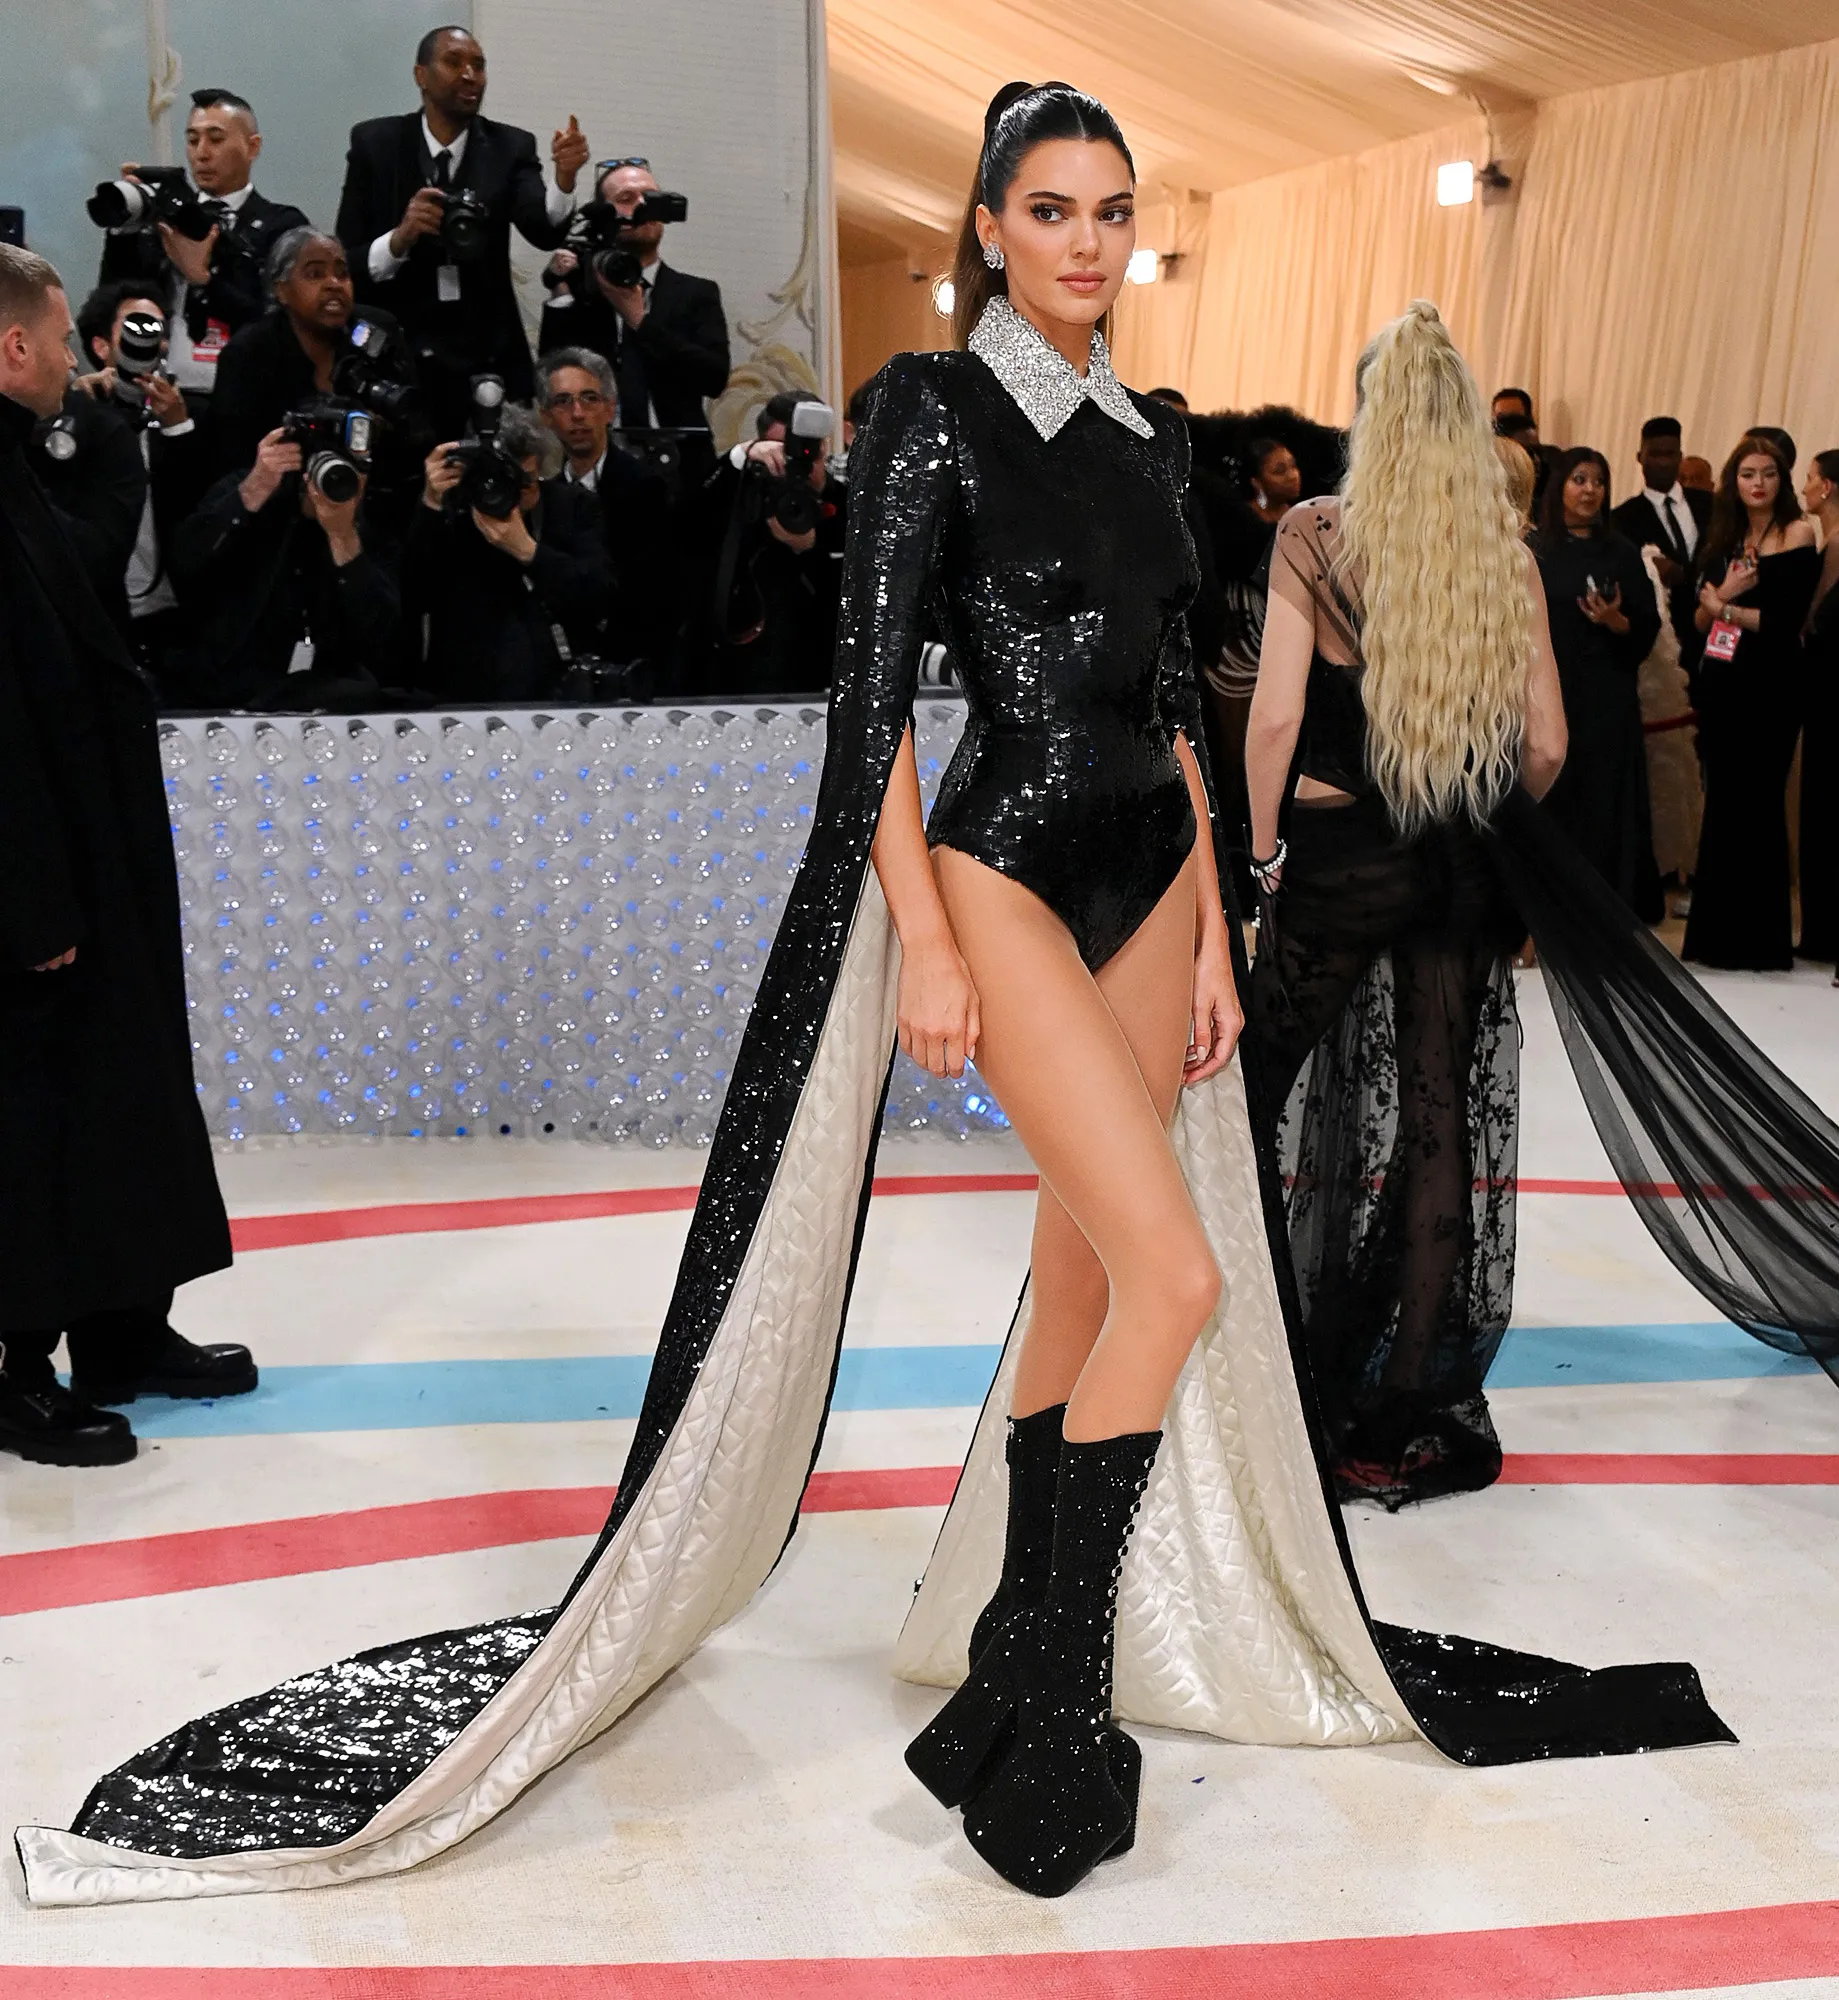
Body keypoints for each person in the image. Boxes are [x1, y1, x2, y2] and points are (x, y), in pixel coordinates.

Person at [33, 87, 1783, 1919]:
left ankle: (1002, 1668)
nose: (1089, 242)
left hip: (1144, 885)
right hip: (1002, 869)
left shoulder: (1148, 431)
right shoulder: (928, 412)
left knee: (1095, 1280)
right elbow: (868, 703)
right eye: (1051, 210)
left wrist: (1206, 929)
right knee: (1181, 1277)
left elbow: (1182, 716)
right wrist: (927, 940)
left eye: (1112, 210)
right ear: (990, 225)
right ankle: (1045, 1690)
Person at [1241, 311, 1839, 1524]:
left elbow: (1270, 719)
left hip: (1346, 860)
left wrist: (1256, 863)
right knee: (1440, 1121)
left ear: (1367, 418)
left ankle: (1248, 1366)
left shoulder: (1315, 535)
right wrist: (1472, 814)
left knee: (1248, 1089)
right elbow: (1550, 742)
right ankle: (1406, 1397)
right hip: (1461, 867)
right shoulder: (1497, 552)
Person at [0, 244, 251, 1471]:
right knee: (35, 1115)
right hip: (37, 872)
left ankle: (121, 1327)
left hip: (94, 852)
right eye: (56, 340)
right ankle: (14, 1364)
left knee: (120, 1094)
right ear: (14, 347)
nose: (70, 362)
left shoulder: (22, 468)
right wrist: (29, 890)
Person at [334, 26, 588, 436]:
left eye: (479, 66)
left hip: (488, 358)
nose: (470, 75)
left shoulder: (510, 147)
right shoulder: (376, 144)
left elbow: (543, 230)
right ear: (421, 75)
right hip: (399, 360)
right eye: (454, 62)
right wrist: (400, 239)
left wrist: (564, 180)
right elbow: (348, 263)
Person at [1682, 435, 1820, 970]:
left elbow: (1785, 627)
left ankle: (1761, 942)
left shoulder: (1798, 533)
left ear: (1781, 480)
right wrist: (1722, 601)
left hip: (1773, 687)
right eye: (1746, 474)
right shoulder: (1723, 536)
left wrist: (1725, 605)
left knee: (1759, 802)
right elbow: (1696, 622)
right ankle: (1715, 941)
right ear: (1732, 482)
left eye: (1767, 473)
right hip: (1723, 683)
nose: (1757, 483)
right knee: (1723, 803)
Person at [170, 418, 404, 710]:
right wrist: (253, 491)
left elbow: (379, 631)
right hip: (225, 683)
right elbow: (185, 562)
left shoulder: (375, 524)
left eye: (353, 469)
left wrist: (343, 536)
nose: (336, 480)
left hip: (328, 690)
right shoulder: (253, 487)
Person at [99, 90, 308, 404]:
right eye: (193, 140)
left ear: (253, 146)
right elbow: (113, 302)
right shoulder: (166, 221)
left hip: (246, 396)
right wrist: (124, 227)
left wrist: (203, 280)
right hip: (161, 392)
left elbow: (283, 325)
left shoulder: (282, 225)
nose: (202, 153)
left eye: (216, 139)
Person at [55, 283, 215, 670]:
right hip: (95, 617)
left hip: (175, 622)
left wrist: (177, 428)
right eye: (136, 327)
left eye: (158, 330)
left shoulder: (193, 416)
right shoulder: (75, 414)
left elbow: (206, 519)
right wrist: (76, 414)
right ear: (101, 347)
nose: (149, 341)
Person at [1534, 447, 1663, 918]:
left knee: (1603, 799)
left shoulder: (1620, 551)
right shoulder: (1534, 548)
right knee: (1553, 795)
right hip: (1548, 691)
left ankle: (1603, 911)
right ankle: (1545, 909)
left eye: (1598, 482)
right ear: (1559, 487)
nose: (1590, 491)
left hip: (1606, 696)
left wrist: (1615, 622)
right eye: (1580, 480)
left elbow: (1646, 625)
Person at [406, 402, 608, 701]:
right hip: (464, 694)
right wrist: (431, 503)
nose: (512, 494)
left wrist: (528, 551)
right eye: (501, 480)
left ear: (539, 465)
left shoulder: (572, 506)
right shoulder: (453, 511)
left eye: (523, 482)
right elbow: (413, 593)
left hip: (554, 691)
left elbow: (599, 594)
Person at [537, 157, 730, 436]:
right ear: (603, 213)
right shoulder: (583, 292)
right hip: (599, 454)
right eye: (626, 198)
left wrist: (639, 320)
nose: (642, 206)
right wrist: (562, 292)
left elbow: (713, 380)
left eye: (651, 197)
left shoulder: (696, 293)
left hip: (680, 454)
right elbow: (552, 377)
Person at [683, 389, 848, 697]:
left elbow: (856, 603)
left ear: (824, 445)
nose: (799, 462)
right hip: (740, 675)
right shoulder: (745, 494)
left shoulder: (847, 504)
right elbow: (691, 521)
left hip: (821, 675)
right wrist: (739, 458)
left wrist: (811, 550)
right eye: (786, 450)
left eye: (808, 449)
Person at [534, 345, 675, 681]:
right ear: (546, 416)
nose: (578, 413)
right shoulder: (542, 498)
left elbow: (653, 593)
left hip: (635, 665)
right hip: (562, 669)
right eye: (563, 401)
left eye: (589, 399)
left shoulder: (646, 487)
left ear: (610, 409)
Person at [1610, 417, 1713, 698]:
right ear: (1640, 457)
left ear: (1680, 457)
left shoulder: (1710, 505)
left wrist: (1684, 574)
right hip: (1667, 638)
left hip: (1717, 629)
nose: (1663, 463)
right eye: (1655, 454)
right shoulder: (1622, 518)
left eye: (1670, 454)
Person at [1797, 449, 1839, 965]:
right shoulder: (1827, 542)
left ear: (1826, 487)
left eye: (1809, 479)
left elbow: (1813, 623)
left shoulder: (1835, 546)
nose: (1804, 487)